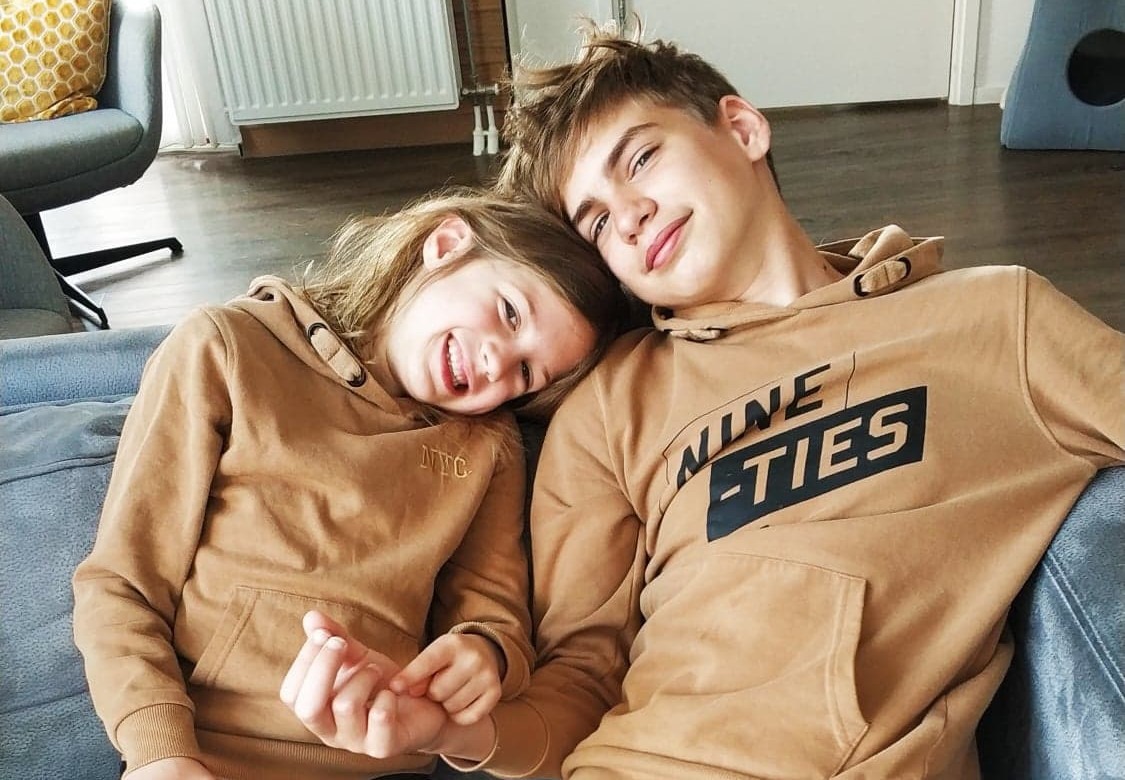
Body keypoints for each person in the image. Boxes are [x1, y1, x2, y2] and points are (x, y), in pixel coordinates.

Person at [278, 24, 1125, 779]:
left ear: (742, 128)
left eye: (640, 159)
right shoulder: (609, 406)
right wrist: (453, 732)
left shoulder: (991, 319)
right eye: (596, 222)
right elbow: (578, 682)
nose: (629, 215)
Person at [71, 189, 629, 780]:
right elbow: (121, 582)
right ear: (446, 244)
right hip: (201, 757)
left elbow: (494, 610)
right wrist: (159, 752)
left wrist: (485, 651)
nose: (496, 365)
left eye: (525, 373)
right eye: (510, 313)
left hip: (385, 761)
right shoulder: (227, 347)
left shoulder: (488, 445)